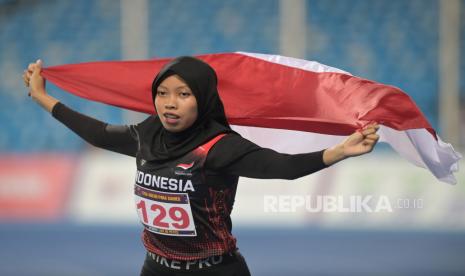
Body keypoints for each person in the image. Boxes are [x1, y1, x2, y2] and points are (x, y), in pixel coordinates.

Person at [23, 57, 380, 276]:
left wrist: (341, 151)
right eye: (162, 93)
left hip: (215, 272)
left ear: (203, 98)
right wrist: (42, 97)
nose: (169, 104)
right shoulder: (146, 134)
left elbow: (282, 167)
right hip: (156, 268)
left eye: (183, 94)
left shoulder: (219, 147)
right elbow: (98, 133)